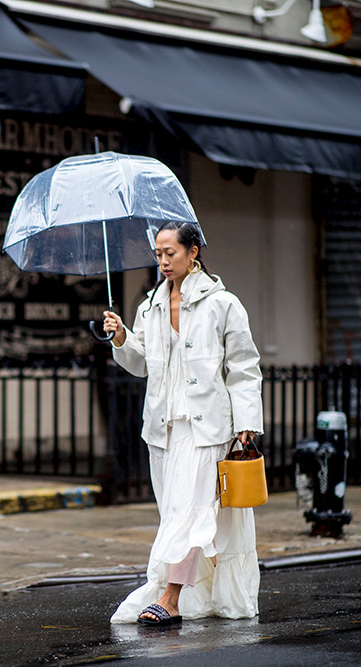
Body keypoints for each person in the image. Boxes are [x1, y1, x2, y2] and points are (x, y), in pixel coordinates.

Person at [102, 220, 263, 626]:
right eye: (157, 254)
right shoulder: (150, 305)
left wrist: (247, 422)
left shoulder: (223, 304)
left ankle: (170, 598)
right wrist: (122, 337)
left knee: (191, 514)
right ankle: (197, 591)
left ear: (193, 252)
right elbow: (140, 364)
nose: (162, 261)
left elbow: (244, 367)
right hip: (164, 429)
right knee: (179, 514)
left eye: (170, 253)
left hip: (207, 428)